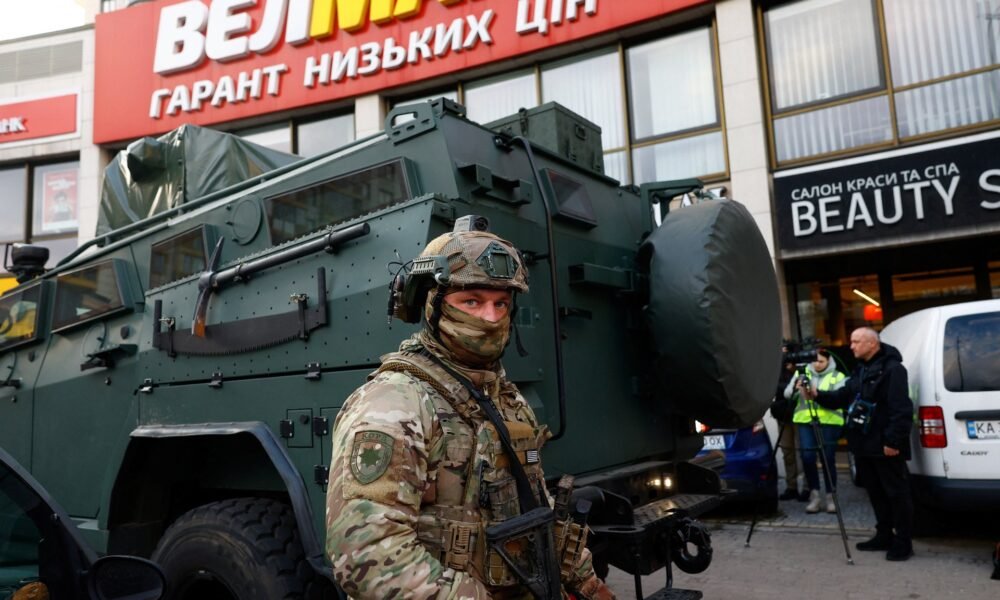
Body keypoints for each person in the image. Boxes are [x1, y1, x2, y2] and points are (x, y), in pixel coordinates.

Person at [325, 223, 615, 599]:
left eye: (501, 303)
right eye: (472, 301)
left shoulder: (503, 397)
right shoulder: (394, 403)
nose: (490, 318)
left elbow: (538, 508)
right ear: (432, 304)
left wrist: (587, 584)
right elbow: (367, 556)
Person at [803, 327, 914, 561]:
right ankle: (883, 535)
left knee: (896, 493)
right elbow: (843, 396)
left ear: (872, 344)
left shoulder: (893, 370)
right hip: (864, 444)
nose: (851, 346)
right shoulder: (861, 369)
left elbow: (901, 409)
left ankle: (904, 542)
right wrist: (816, 395)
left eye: (856, 342)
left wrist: (893, 441)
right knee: (875, 492)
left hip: (885, 445)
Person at [784, 349, 845, 514]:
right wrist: (796, 389)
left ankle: (831, 497)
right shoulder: (801, 373)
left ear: (829, 362)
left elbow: (839, 397)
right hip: (805, 422)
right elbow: (787, 394)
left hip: (829, 422)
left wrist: (817, 394)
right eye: (815, 361)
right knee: (807, 457)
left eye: (821, 361)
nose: (817, 364)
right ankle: (815, 495)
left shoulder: (837, 376)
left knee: (828, 459)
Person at [772, 354, 807, 502]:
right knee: (788, 453)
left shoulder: (802, 369)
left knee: (804, 452)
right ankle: (791, 486)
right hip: (783, 415)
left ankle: (806, 487)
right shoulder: (776, 369)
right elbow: (777, 389)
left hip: (800, 415)